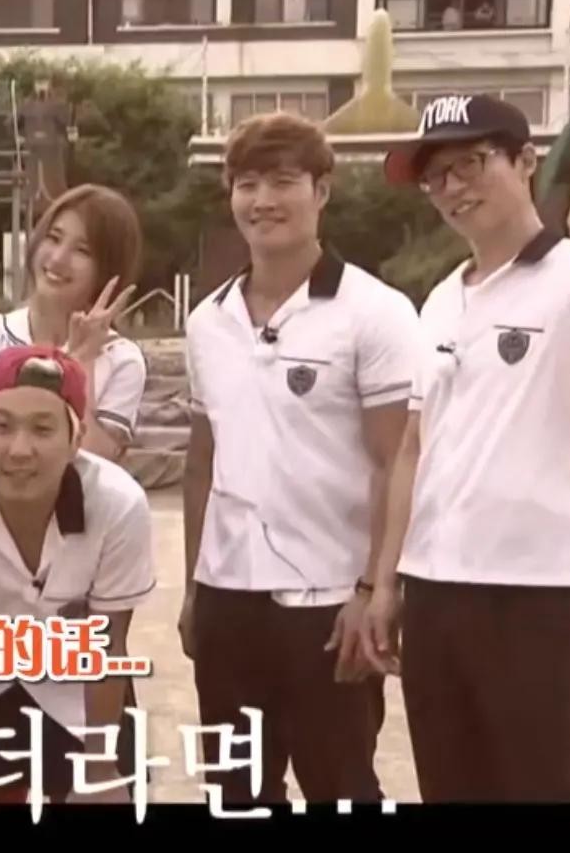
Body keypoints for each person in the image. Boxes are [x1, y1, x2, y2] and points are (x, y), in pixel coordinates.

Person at [349, 94, 570, 802]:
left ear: (526, 161)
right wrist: (385, 583)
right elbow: (413, 446)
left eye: (471, 164)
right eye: (435, 176)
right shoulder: (441, 299)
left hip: (537, 599)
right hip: (434, 597)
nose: (452, 188)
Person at [180, 112, 423, 806]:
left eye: (283, 181)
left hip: (330, 603)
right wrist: (196, 589)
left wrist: (375, 591)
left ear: (321, 190)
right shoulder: (208, 321)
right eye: (247, 183)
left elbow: (395, 461)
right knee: (235, 792)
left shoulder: (374, 313)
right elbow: (203, 461)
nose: (263, 200)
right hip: (228, 598)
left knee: (340, 786)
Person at [0, 345, 156, 805]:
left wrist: (100, 768)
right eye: (2, 426)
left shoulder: (118, 503)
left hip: (78, 683)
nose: (19, 450)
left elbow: (108, 644)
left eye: (42, 429)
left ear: (76, 438)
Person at [0, 183, 148, 467]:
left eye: (82, 251)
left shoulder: (121, 360)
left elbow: (93, 468)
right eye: (53, 238)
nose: (58, 258)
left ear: (109, 271)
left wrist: (82, 362)